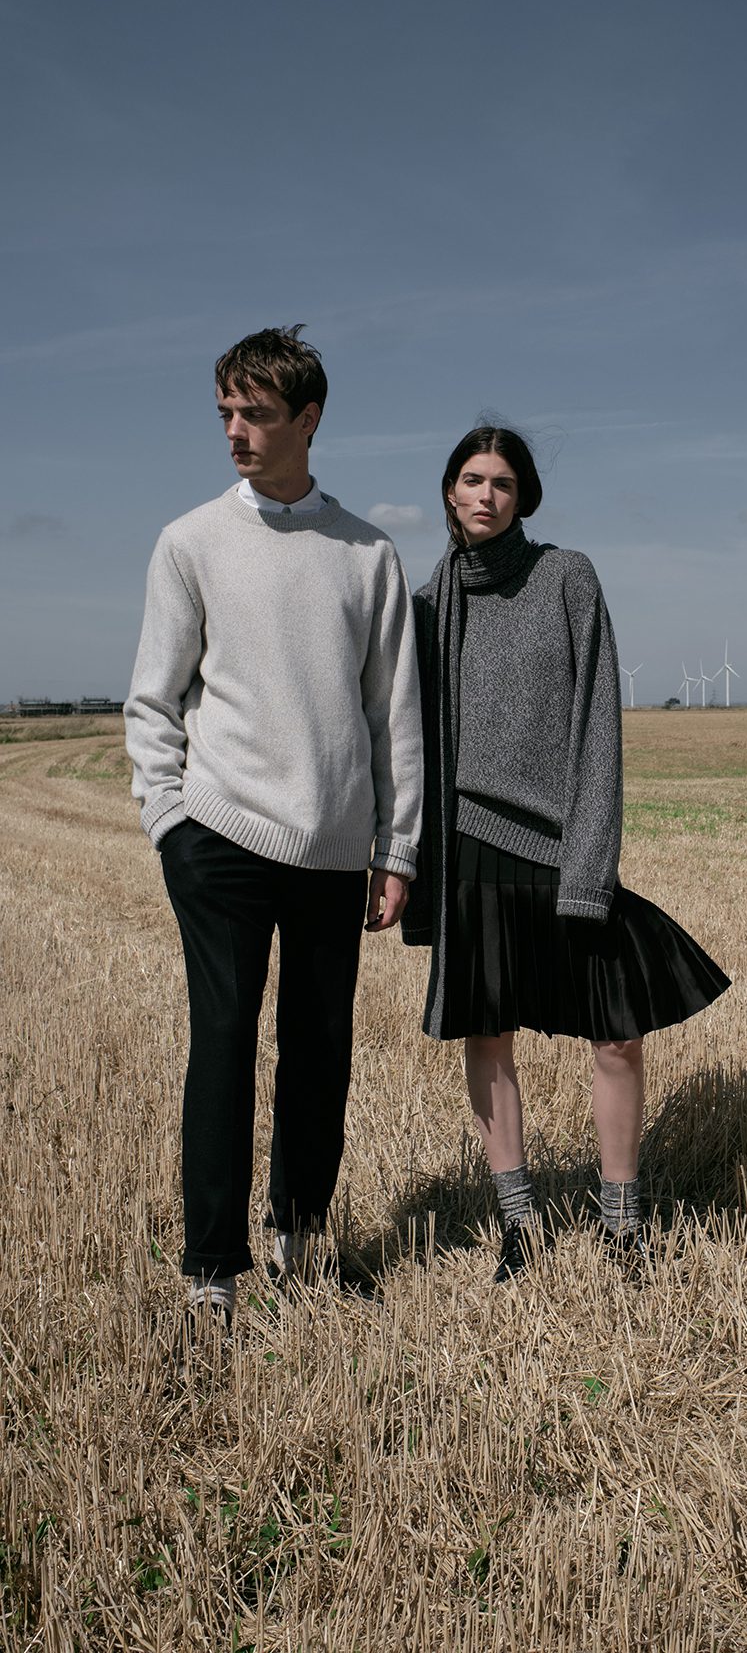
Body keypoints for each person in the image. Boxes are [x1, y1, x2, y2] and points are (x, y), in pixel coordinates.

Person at [124, 325, 422, 1329]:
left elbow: (396, 717)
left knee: (320, 1049)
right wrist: (170, 822)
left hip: (336, 847)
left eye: (255, 414)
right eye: (226, 414)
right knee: (222, 1044)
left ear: (309, 418)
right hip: (219, 838)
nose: (236, 433)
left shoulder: (370, 555)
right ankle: (213, 1267)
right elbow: (152, 701)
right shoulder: (190, 541)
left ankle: (301, 1233)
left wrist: (399, 849)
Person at [402, 425, 728, 1280]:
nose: (484, 495)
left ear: (524, 498)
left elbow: (598, 730)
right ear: (448, 492)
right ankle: (520, 1223)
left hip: (558, 846)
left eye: (502, 483)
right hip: (468, 848)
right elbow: (403, 739)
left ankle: (623, 1221)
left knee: (617, 1037)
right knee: (489, 1035)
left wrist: (590, 863)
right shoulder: (430, 603)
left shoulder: (566, 578)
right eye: (470, 479)